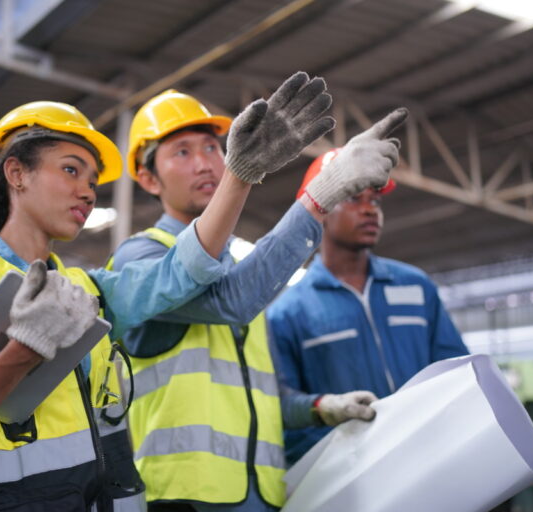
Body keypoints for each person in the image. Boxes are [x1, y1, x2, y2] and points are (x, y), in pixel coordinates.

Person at [0, 76, 330, 512]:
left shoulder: (85, 291)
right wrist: (20, 353)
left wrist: (240, 175)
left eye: (93, 181)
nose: (87, 192)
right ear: (16, 173)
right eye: (71, 170)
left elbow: (179, 273)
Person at [111, 73, 407, 511]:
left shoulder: (243, 265)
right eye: (182, 152)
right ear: (148, 179)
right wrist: (319, 196)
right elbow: (231, 300)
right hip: (183, 497)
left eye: (212, 146)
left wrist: (322, 407)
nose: (205, 163)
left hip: (264, 496)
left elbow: (260, 398)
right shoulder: (141, 258)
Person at [267, 146, 470, 466]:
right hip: (352, 476)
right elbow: (287, 416)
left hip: (432, 458)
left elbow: (456, 372)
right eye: (354, 199)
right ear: (319, 209)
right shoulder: (288, 314)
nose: (370, 210)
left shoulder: (416, 287)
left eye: (375, 201)